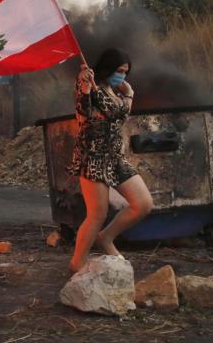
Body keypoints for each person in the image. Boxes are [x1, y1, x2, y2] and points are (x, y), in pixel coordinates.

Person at [68, 48, 153, 273]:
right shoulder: (89, 86)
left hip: (115, 158)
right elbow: (88, 109)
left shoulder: (112, 92)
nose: (122, 76)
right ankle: (77, 264)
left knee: (143, 204)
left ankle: (105, 238)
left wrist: (126, 95)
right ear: (107, 68)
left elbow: (119, 113)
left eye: (125, 72)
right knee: (97, 214)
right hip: (93, 157)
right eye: (119, 71)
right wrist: (85, 85)